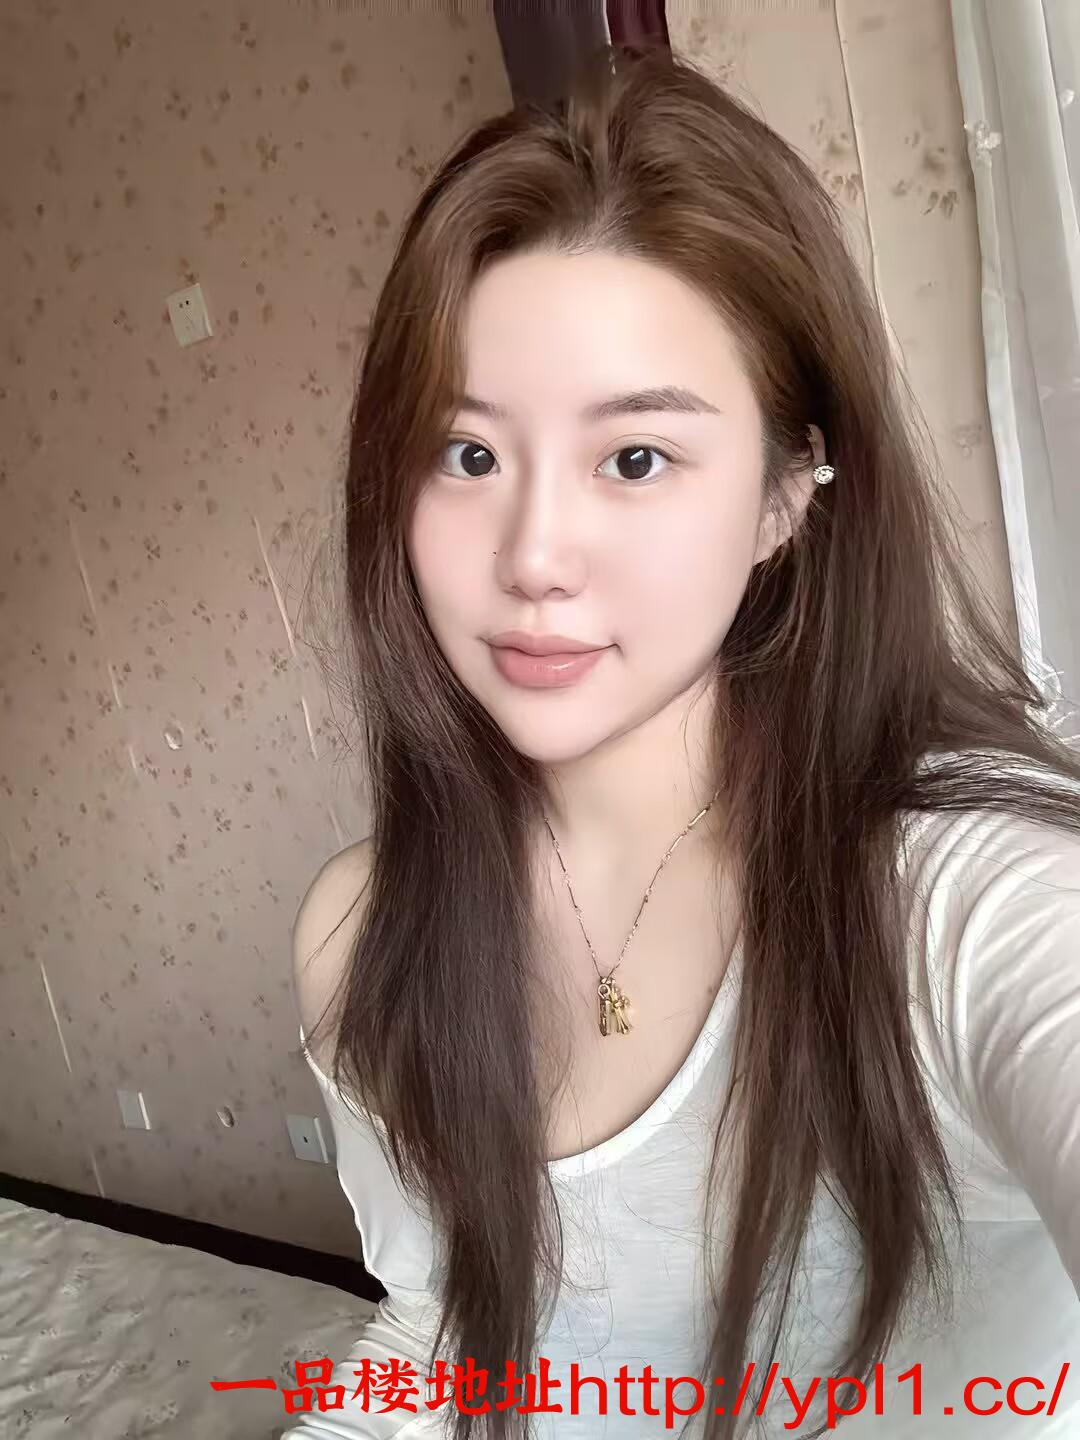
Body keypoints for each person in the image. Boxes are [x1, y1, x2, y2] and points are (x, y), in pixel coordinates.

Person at [284, 43, 1080, 1440]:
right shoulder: (362, 933)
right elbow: (443, 1327)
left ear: (785, 495)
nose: (533, 555)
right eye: (468, 455)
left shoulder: (959, 893)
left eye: (635, 459)